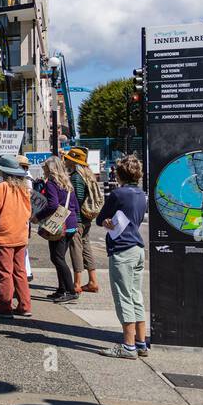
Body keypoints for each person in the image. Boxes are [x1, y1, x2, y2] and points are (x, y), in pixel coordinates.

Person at [95, 153, 149, 358]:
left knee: (123, 297)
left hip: (121, 248)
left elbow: (101, 218)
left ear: (119, 174)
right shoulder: (141, 194)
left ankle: (128, 346)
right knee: (136, 296)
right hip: (137, 247)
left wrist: (107, 222)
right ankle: (141, 342)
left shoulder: (118, 194)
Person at [0, 156, 34, 316]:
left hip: (5, 234)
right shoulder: (24, 188)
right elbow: (29, 211)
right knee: (20, 271)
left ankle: (5, 306)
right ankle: (25, 306)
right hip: (20, 233)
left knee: (4, 272)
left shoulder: (3, 186)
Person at [35, 154, 81, 303]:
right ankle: (61, 289)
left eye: (45, 167)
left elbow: (53, 205)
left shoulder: (51, 183)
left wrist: (38, 216)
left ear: (50, 168)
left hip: (59, 224)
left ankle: (70, 290)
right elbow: (75, 204)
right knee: (58, 257)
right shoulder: (67, 182)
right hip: (71, 223)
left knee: (57, 258)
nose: (43, 169)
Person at [64, 147, 102, 294]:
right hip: (87, 218)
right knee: (86, 248)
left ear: (73, 161)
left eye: (68, 159)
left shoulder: (76, 177)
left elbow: (77, 198)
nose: (65, 161)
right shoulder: (88, 175)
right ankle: (93, 281)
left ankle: (77, 283)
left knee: (76, 249)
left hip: (78, 218)